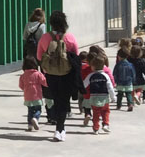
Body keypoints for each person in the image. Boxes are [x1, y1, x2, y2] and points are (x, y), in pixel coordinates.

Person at [36, 10, 79, 142]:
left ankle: (59, 128)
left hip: (50, 74)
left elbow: (39, 56)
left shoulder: (45, 38)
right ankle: (60, 129)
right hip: (67, 74)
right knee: (63, 101)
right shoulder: (70, 38)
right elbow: (76, 56)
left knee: (55, 99)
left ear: (51, 23)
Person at [84, 53, 116, 134]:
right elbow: (110, 87)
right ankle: (105, 124)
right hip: (104, 97)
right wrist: (113, 97)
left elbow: (84, 84)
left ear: (93, 66)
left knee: (96, 113)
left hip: (93, 97)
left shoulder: (90, 75)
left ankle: (96, 128)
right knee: (105, 111)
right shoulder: (105, 76)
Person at [19, 56, 48, 131]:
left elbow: (21, 85)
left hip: (28, 96)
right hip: (37, 95)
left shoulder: (23, 75)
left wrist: (25, 89)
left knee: (30, 111)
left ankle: (30, 125)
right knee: (38, 109)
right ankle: (35, 118)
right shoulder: (38, 74)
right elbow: (45, 82)